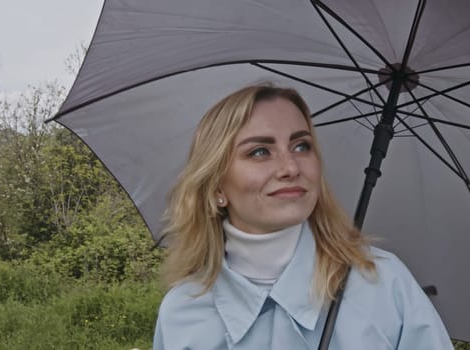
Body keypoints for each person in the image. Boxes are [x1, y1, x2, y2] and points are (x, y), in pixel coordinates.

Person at [153, 84, 453, 349]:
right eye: (260, 152)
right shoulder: (182, 312)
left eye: (301, 146)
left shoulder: (384, 285)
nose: (291, 167)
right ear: (217, 186)